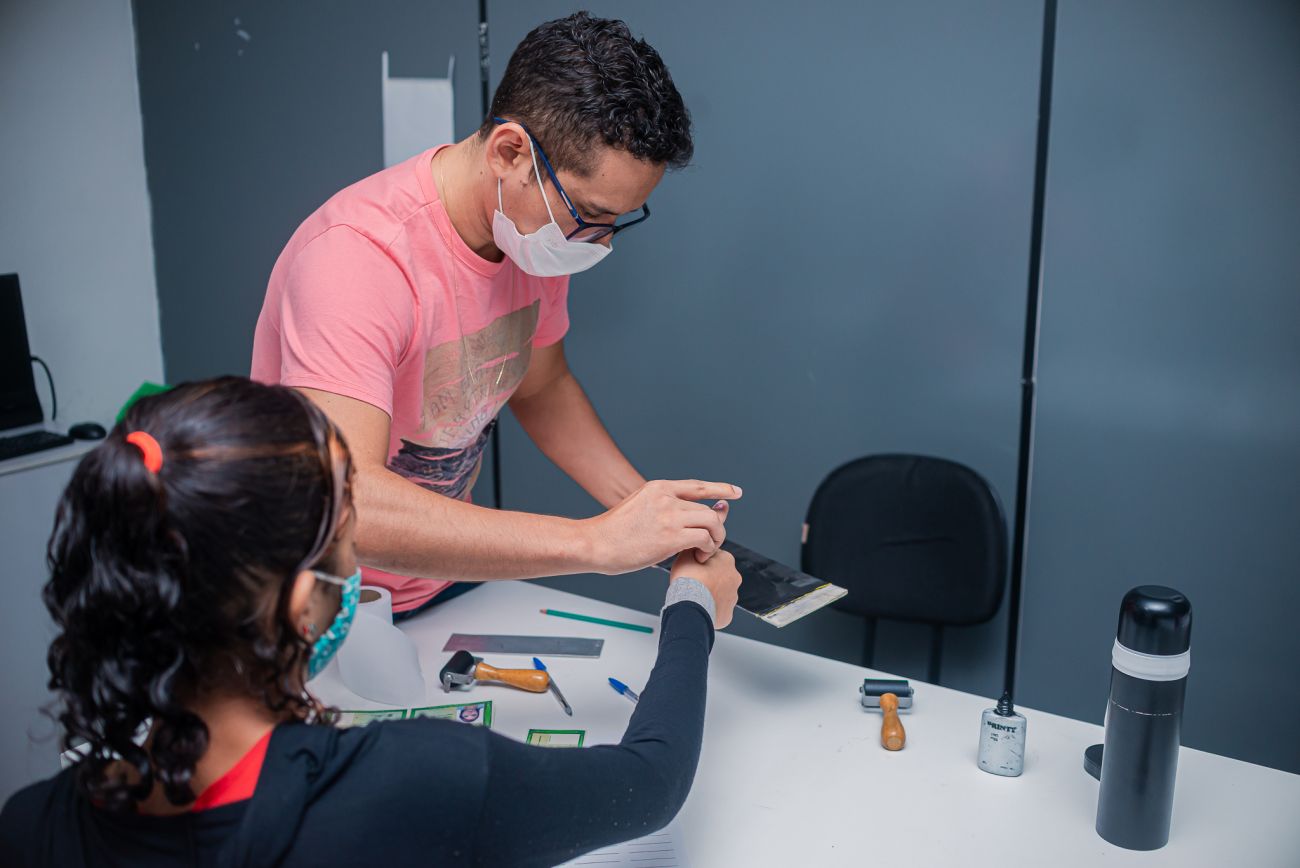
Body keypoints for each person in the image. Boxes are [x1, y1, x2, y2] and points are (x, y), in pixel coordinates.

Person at [0, 377, 741, 867]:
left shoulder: (32, 826)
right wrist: (691, 606)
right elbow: (647, 784)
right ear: (304, 604)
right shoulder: (418, 783)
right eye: (347, 537)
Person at [251, 12, 741, 618]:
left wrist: (650, 516)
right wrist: (596, 543)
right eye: (589, 214)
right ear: (510, 152)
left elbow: (542, 387)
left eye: (617, 221)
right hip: (315, 606)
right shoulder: (358, 259)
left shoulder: (532, 238)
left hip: (436, 584)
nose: (600, 242)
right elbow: (348, 504)